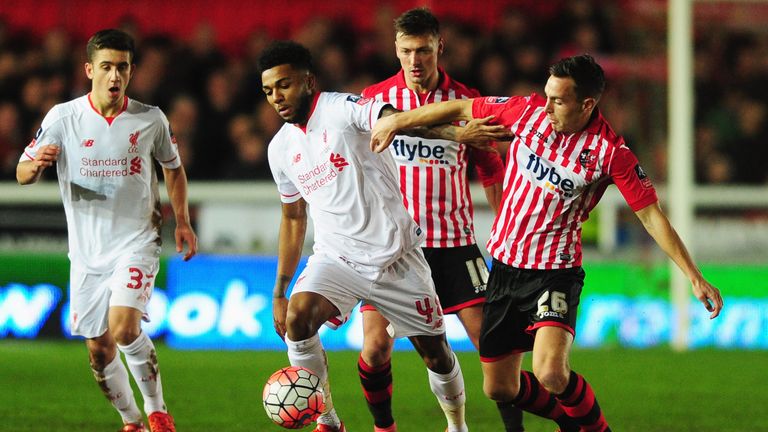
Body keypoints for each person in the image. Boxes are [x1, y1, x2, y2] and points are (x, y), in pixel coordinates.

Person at [371, 54, 724, 432]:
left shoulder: (611, 154)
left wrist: (694, 275)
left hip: (555, 272)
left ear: (587, 104)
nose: (548, 105)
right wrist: (396, 120)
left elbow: (651, 216)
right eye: (547, 95)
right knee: (498, 387)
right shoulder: (528, 113)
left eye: (558, 100)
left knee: (550, 373)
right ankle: (568, 422)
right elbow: (460, 106)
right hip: (505, 268)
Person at [261, 40, 507, 432]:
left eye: (284, 85)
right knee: (299, 321)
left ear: (308, 81)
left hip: (396, 257)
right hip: (336, 259)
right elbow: (293, 217)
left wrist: (455, 135)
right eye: (269, 91)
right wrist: (280, 289)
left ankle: (456, 425)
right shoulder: (279, 149)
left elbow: (397, 118)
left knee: (437, 354)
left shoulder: (342, 109)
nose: (277, 97)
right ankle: (328, 421)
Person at [358, 8, 533, 432]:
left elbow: (491, 172)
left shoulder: (467, 102)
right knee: (376, 347)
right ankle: (385, 427)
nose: (415, 60)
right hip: (393, 248)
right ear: (395, 50)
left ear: (440, 47)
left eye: (423, 50)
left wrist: (509, 236)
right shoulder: (373, 100)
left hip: (455, 245)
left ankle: (516, 430)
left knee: (494, 347)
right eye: (406, 51)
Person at [16, 29, 196, 432]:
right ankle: (131, 421)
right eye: (107, 67)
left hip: (137, 241)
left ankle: (158, 412)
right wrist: (36, 165)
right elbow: (22, 172)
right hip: (86, 254)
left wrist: (181, 221)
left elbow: (174, 169)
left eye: (123, 67)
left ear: (131, 72)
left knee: (124, 326)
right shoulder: (63, 118)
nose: (115, 76)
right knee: (99, 349)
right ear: (89, 70)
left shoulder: (150, 119)